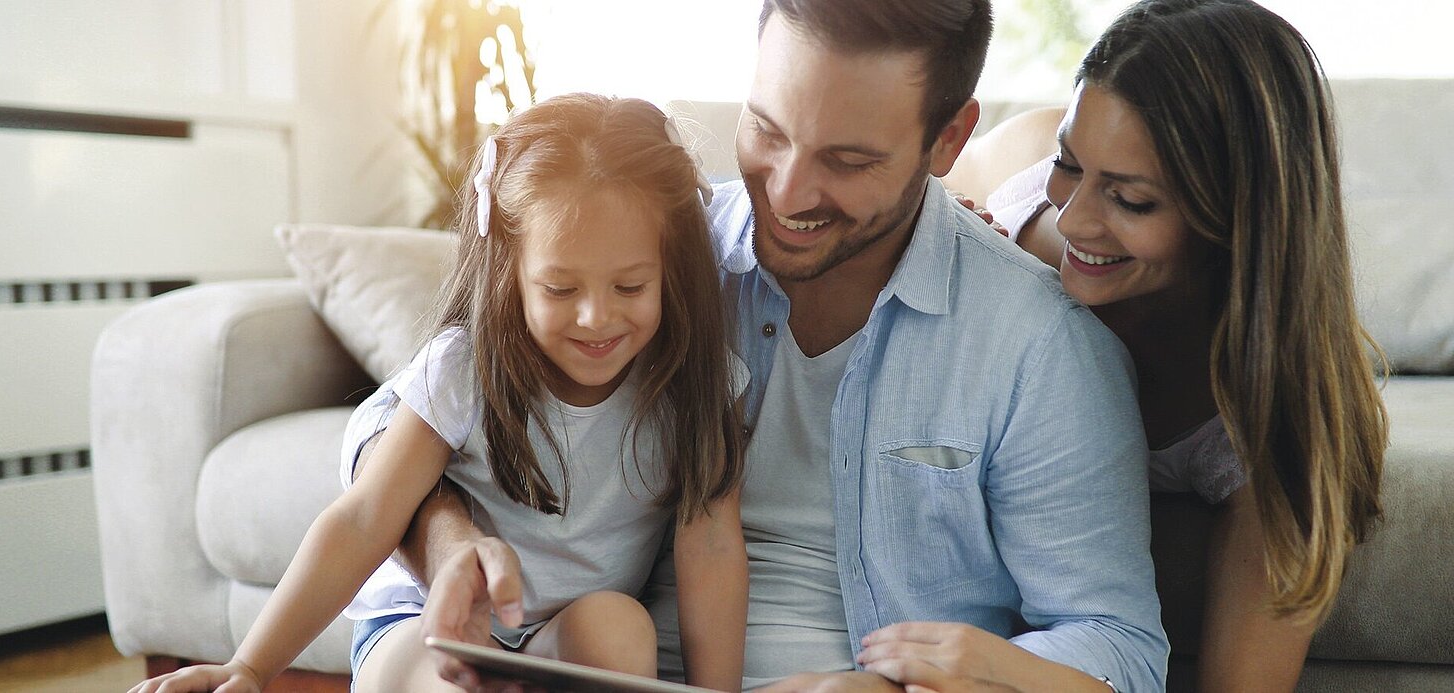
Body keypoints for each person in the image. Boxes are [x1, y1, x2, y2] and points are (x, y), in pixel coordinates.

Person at [387, 1, 1170, 692]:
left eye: (848, 159)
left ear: (948, 140)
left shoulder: (1038, 345)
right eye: (766, 129)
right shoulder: (645, 259)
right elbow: (400, 418)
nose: (787, 194)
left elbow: (1120, 647)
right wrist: (454, 537)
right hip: (565, 660)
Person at [128, 93, 749, 693]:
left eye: (631, 286)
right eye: (560, 289)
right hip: (426, 627)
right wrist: (251, 667)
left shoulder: (698, 383)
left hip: (565, 631)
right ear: (512, 271)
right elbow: (365, 517)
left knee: (620, 628)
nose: (595, 317)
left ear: (673, 268)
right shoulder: (465, 368)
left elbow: (713, 546)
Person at [927, 1, 1389, 690]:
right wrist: (939, 221)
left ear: (1236, 219)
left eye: (1132, 200)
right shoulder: (1029, 221)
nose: (1077, 215)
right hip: (1006, 163)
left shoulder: (1264, 426)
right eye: (1071, 162)